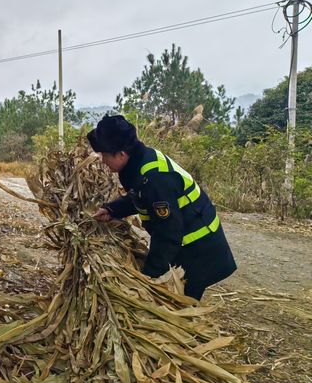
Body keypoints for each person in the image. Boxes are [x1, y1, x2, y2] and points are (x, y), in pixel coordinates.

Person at [88, 114, 236, 300]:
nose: (102, 160)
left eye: (104, 155)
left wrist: (149, 277)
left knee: (181, 305)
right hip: (186, 243)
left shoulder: (155, 178)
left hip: (200, 250)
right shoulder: (140, 162)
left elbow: (168, 233)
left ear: (121, 154)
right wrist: (112, 210)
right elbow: (141, 197)